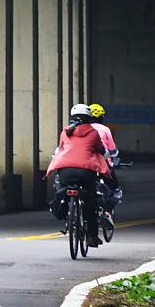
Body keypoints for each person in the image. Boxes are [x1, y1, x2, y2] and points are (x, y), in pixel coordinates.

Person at [46, 104, 111, 247]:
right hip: (85, 171)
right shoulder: (93, 133)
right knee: (90, 201)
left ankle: (65, 212)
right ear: (89, 118)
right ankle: (91, 237)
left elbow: (61, 149)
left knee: (62, 188)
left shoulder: (65, 131)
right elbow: (101, 151)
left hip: (65, 170)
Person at [88, 102, 123, 214]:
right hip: (102, 163)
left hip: (85, 163)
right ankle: (109, 206)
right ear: (102, 117)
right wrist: (114, 154)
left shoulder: (81, 128)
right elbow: (112, 150)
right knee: (113, 185)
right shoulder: (105, 129)